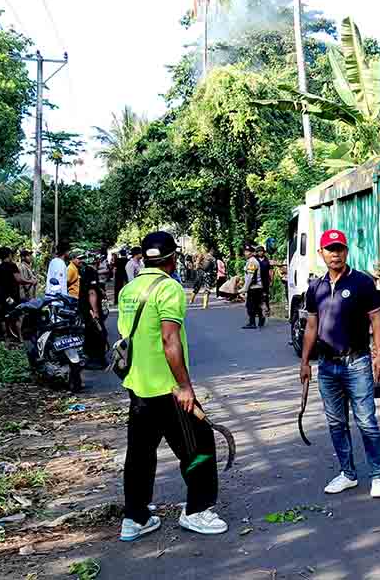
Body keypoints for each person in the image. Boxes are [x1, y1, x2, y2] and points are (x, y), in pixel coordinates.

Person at [117, 231, 227, 542]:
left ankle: (135, 518)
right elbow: (169, 339)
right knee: (200, 446)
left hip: (138, 386)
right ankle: (197, 511)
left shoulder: (128, 290)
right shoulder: (169, 288)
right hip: (168, 389)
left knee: (139, 455)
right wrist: (184, 386)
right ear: (173, 258)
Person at [299, 229, 380, 499]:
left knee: (366, 422)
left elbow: (376, 321)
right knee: (336, 423)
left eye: (339, 249)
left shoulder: (362, 282)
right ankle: (348, 474)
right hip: (327, 366)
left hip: (357, 363)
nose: (335, 254)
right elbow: (311, 326)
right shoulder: (315, 287)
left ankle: (377, 475)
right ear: (321, 253)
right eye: (330, 249)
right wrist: (305, 362)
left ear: (346, 252)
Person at [76, 251, 107, 375]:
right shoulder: (91, 271)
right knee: (98, 332)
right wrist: (95, 311)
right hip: (90, 308)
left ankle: (93, 358)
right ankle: (97, 359)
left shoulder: (84, 271)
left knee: (90, 332)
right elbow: (92, 292)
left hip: (84, 307)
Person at [0, 247, 34, 318]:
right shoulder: (12, 266)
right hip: (11, 296)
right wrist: (30, 281)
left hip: (0, 296)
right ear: (9, 255)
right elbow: (19, 279)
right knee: (16, 317)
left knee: (3, 317)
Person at [240, 245, 264, 328]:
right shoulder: (251, 261)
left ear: (252, 253)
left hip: (254, 287)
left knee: (250, 306)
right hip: (257, 287)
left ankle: (252, 323)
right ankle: (261, 319)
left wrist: (245, 288)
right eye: (245, 251)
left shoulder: (252, 262)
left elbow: (250, 277)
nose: (245, 253)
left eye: (247, 252)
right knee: (257, 305)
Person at [255, 245, 273, 317]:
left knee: (266, 296)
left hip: (265, 280)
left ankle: (267, 310)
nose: (260, 253)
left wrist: (271, 280)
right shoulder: (255, 260)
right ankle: (257, 311)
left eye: (261, 251)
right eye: (259, 251)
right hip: (257, 280)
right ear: (257, 252)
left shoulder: (267, 260)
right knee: (257, 296)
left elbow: (270, 270)